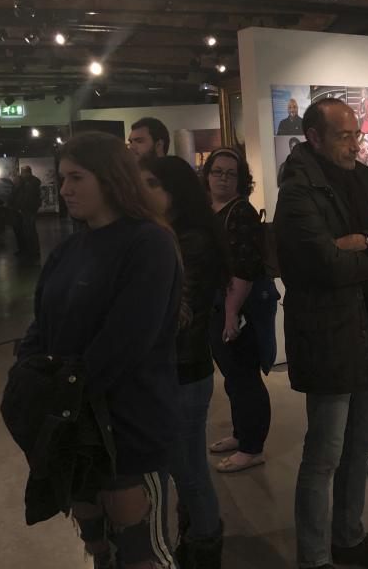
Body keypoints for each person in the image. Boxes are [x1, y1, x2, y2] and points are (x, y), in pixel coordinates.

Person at [13, 131, 182, 569]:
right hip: (77, 429)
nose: (65, 189)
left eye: (76, 177)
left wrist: (62, 387)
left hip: (129, 425)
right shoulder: (70, 248)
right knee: (100, 549)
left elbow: (126, 343)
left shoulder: (149, 244)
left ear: (111, 179)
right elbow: (42, 324)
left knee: (142, 554)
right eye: (62, 177)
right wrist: (29, 373)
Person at [275, 98, 368, 569]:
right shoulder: (297, 193)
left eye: (356, 134)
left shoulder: (364, 181)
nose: (355, 143)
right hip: (329, 332)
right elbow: (327, 266)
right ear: (314, 138)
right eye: (343, 135)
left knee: (360, 445)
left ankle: (348, 537)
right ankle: (314, 558)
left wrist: (364, 240)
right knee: (324, 454)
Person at [141, 155, 229, 569]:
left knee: (188, 469)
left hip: (184, 370)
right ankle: (197, 535)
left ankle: (206, 543)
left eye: (153, 184)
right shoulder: (167, 233)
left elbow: (182, 312)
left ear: (176, 191)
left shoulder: (190, 239)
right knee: (184, 468)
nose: (144, 191)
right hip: (175, 369)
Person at [202, 148, 273, 473]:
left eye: (231, 173)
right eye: (218, 171)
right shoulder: (211, 209)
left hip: (240, 309)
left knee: (245, 377)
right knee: (233, 376)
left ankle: (252, 447)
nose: (223, 178)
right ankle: (240, 434)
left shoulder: (240, 212)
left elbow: (244, 268)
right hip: (217, 304)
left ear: (240, 179)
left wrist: (231, 312)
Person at [12, 165, 42, 258]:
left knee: (30, 231)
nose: (21, 174)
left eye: (23, 172)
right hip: (28, 209)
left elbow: (28, 198)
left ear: (27, 172)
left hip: (29, 209)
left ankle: (33, 251)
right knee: (28, 230)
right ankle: (31, 251)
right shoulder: (30, 182)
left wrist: (22, 206)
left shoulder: (30, 183)